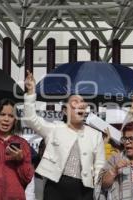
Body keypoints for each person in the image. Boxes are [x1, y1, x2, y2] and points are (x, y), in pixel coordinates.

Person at [24, 71, 105, 200]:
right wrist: (31, 92)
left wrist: (96, 192)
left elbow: (99, 167)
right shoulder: (54, 128)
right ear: (64, 110)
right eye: (74, 103)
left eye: (82, 103)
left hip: (84, 191)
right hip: (55, 188)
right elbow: (30, 119)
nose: (80, 105)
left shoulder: (95, 135)